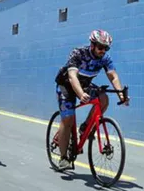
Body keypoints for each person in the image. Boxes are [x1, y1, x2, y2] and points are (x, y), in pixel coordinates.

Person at [54, 29, 129, 169]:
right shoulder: (78, 53)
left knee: (103, 98)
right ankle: (63, 158)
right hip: (67, 85)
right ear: (92, 44)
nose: (103, 51)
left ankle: (84, 128)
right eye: (100, 47)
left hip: (84, 85)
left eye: (106, 48)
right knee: (68, 120)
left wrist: (121, 95)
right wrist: (81, 94)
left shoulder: (105, 59)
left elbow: (113, 76)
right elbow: (72, 76)